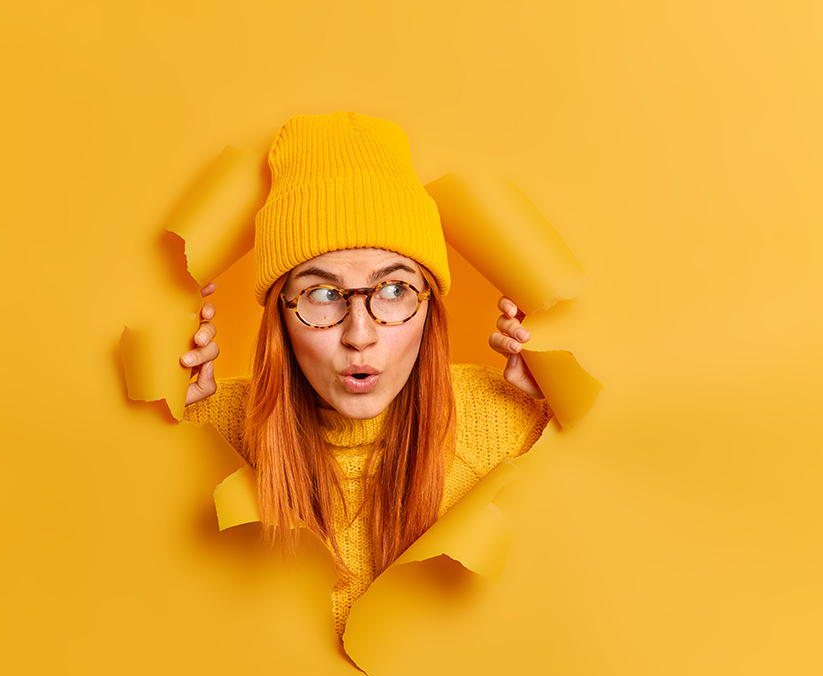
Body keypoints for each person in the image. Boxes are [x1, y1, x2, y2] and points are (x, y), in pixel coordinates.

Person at [179, 111, 551, 640]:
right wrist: (168, 428)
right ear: (281, 315)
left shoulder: (509, 422)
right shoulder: (212, 429)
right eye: (323, 294)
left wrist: (551, 416)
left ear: (430, 307)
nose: (360, 334)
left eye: (394, 290)